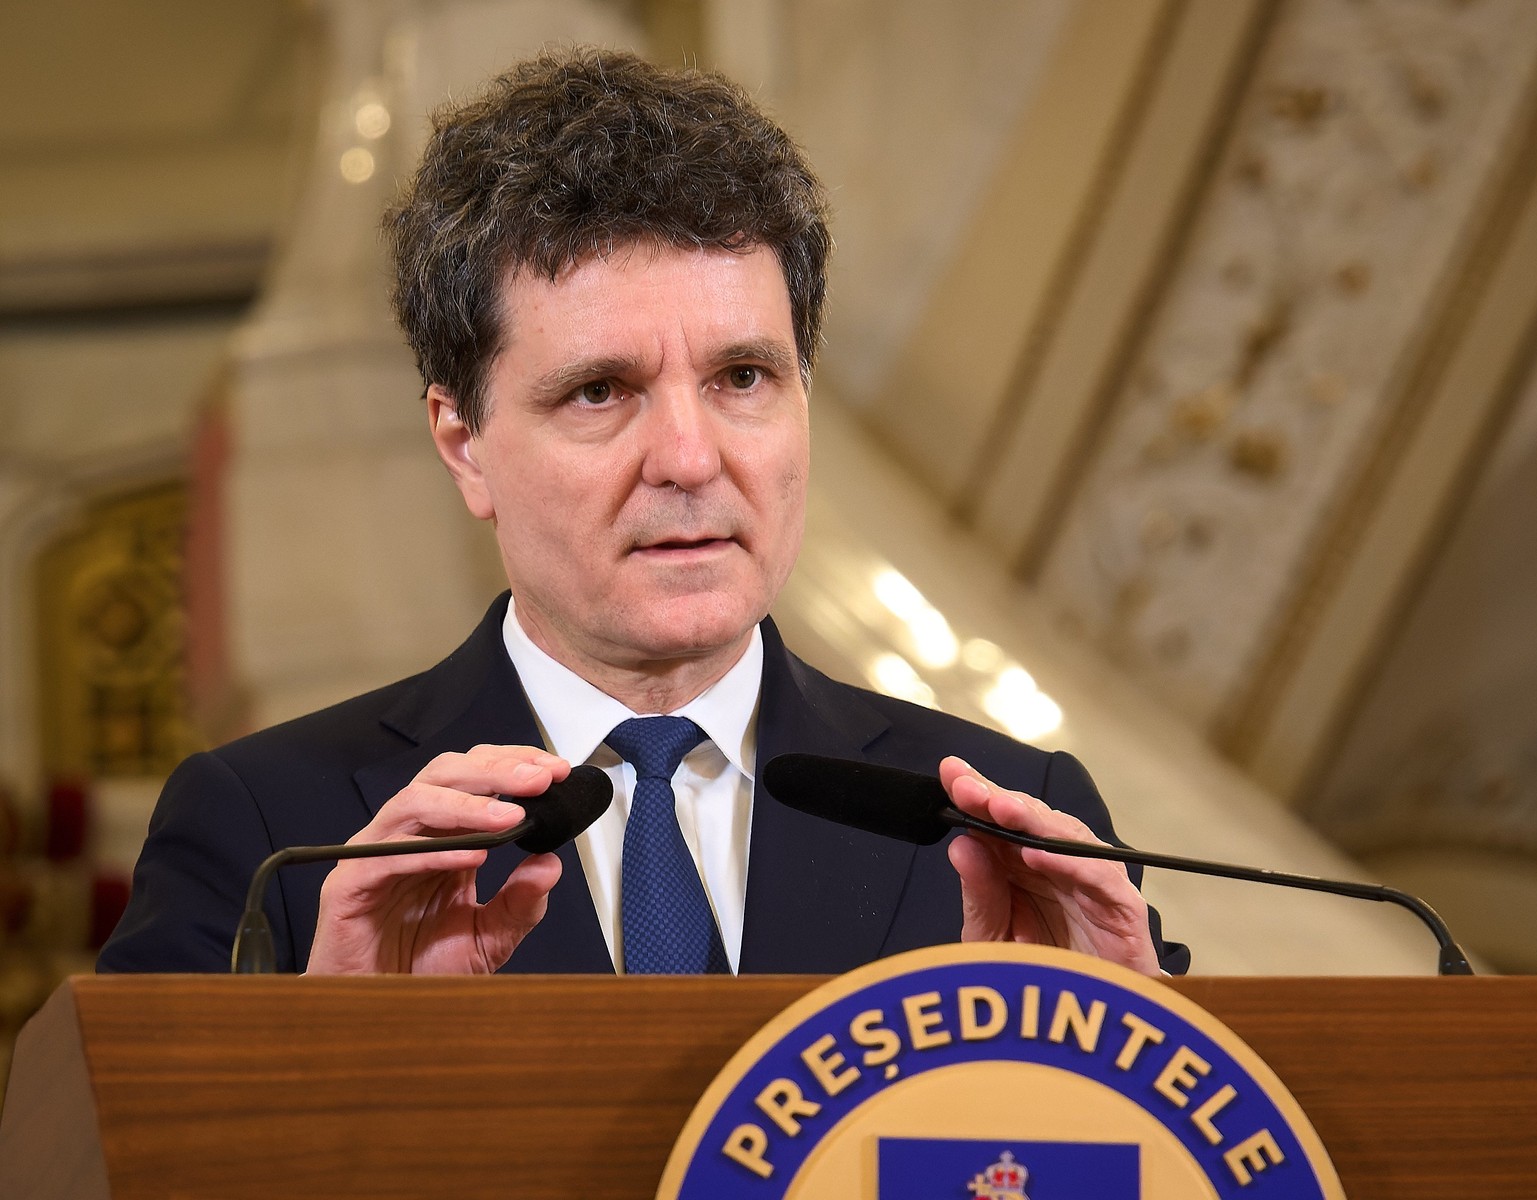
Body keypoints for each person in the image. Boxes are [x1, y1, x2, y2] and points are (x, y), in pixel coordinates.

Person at [99, 49, 1187, 979]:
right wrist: (325, 1051)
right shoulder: (273, 837)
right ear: (464, 444)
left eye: (743, 378)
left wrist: (1126, 1045)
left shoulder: (1013, 824)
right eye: (599, 392)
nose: (690, 459)